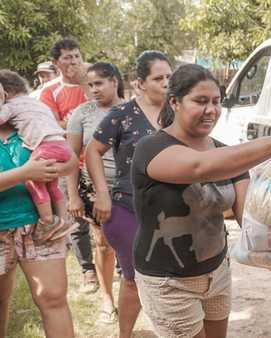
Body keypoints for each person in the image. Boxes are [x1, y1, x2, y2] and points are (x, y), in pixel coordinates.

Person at [131, 63, 271, 338]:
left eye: (216, 102)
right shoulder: (152, 148)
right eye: (200, 101)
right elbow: (198, 168)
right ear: (175, 102)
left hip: (216, 272)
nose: (211, 110)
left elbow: (249, 216)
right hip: (169, 282)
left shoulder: (227, 154)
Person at [85, 50, 172, 338]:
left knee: (173, 280)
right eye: (158, 78)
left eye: (169, 77)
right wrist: (102, 194)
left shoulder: (179, 111)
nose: (166, 83)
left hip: (172, 211)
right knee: (134, 279)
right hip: (128, 208)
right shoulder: (122, 115)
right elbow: (92, 152)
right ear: (140, 83)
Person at [0, 82, 78, 338]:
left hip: (41, 226)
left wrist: (57, 168)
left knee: (53, 298)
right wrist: (25, 173)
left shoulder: (29, 117)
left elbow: (69, 161)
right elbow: (29, 171)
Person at [66, 62, 125, 323]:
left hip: (130, 189)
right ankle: (107, 299)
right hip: (95, 191)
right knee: (103, 245)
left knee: (136, 244)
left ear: (114, 81)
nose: (93, 90)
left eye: (98, 83)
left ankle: (135, 295)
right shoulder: (82, 113)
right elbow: (69, 158)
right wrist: (73, 195)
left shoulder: (132, 109)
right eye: (89, 85)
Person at [39, 38, 98, 293]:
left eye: (76, 56)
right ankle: (88, 270)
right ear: (56, 63)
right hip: (67, 162)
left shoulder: (93, 80)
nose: (74, 61)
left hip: (100, 158)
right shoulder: (49, 91)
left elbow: (103, 110)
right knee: (76, 217)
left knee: (107, 212)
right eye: (67, 58)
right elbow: (54, 126)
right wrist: (77, 124)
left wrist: (85, 83)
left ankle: (118, 265)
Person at [0, 70, 77, 241]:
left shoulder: (16, 114)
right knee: (51, 186)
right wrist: (26, 172)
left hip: (36, 229)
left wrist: (51, 169)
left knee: (41, 184)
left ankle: (50, 222)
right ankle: (60, 220)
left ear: (5, 93)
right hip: (4, 226)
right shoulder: (36, 107)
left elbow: (72, 163)